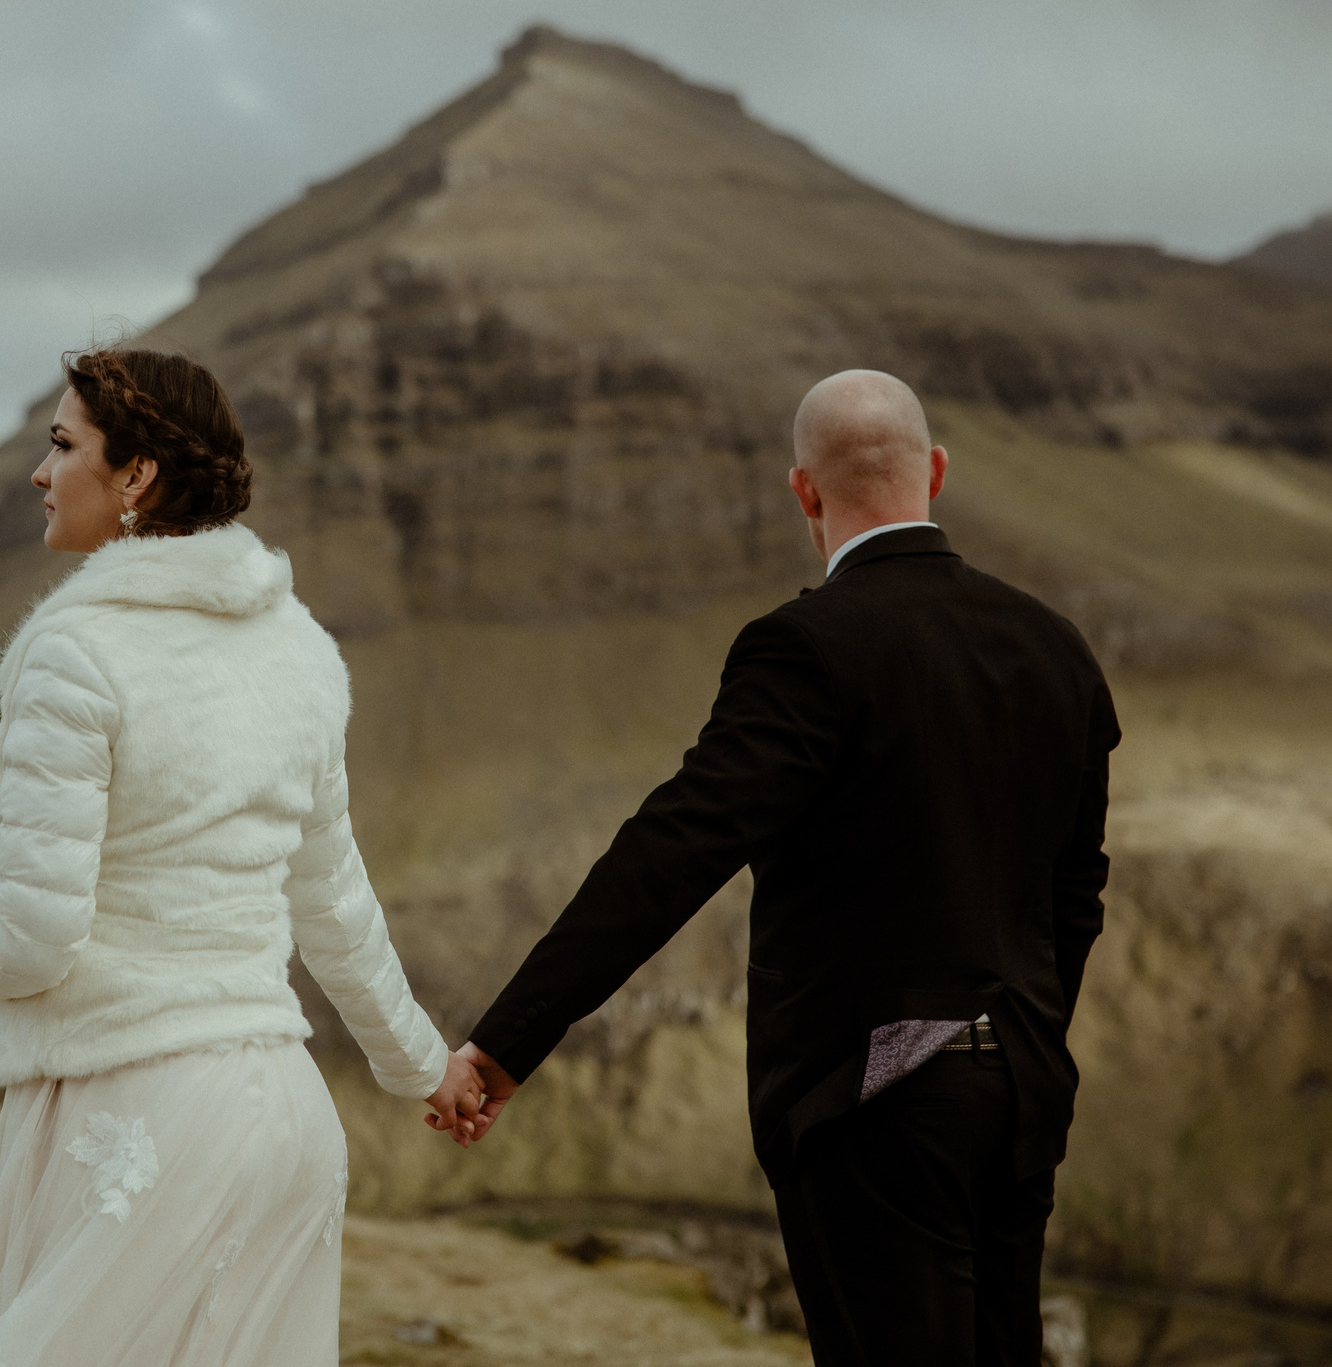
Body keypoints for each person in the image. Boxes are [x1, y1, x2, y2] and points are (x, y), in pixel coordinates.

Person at [449, 369, 1118, 1367]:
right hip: (1021, 1084)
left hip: (877, 1097)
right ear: (934, 471)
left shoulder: (807, 649)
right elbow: (1077, 890)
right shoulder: (1055, 647)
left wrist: (505, 1043)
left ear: (803, 492)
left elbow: (674, 851)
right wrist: (1016, 1032)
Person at [0, 346, 486, 1367]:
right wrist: (422, 1067)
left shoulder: (76, 652)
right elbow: (333, 901)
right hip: (284, 1119)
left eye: (63, 445)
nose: (38, 472)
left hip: (136, 1116)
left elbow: (38, 938)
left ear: (136, 474)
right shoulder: (301, 649)